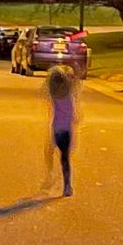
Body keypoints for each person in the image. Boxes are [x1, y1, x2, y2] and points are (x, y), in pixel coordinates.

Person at [45, 63, 80, 195]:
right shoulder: (69, 93)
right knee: (65, 158)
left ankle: (50, 175)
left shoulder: (54, 95)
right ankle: (67, 185)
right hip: (67, 130)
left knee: (49, 151)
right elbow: (74, 81)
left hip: (57, 129)